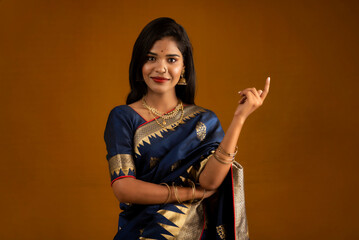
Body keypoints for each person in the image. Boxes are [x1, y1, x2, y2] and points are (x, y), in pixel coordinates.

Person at [104, 17, 270, 240]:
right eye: (151, 58)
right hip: (139, 233)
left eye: (171, 59)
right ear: (140, 64)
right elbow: (123, 187)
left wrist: (239, 119)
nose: (161, 68)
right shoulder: (123, 117)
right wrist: (189, 194)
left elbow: (210, 182)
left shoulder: (204, 120)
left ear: (183, 68)